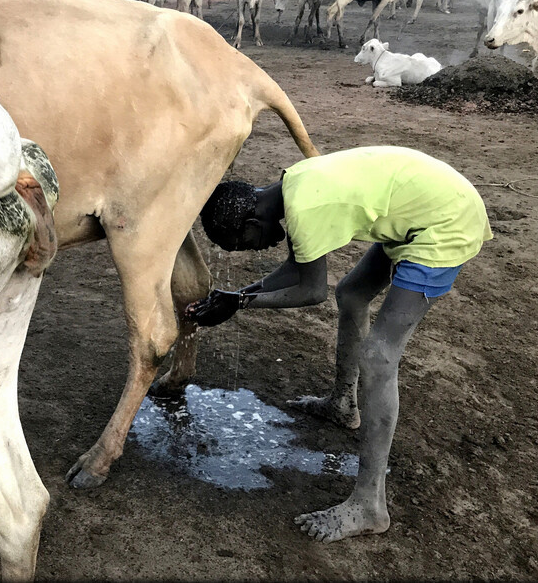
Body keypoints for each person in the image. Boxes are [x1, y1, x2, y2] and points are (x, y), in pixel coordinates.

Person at [185, 146, 493, 543]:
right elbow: (294, 271)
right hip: (416, 209)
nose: (253, 250)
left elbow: (310, 290)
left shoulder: (304, 208)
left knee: (379, 357)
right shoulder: (293, 185)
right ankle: (343, 404)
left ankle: (370, 505)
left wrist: (240, 302)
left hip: (445, 222)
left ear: (249, 218)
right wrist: (236, 296)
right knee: (352, 293)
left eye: (242, 242)